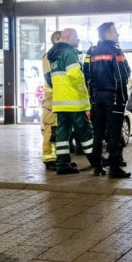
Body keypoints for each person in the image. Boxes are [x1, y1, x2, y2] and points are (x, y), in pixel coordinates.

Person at [45, 28, 95, 174]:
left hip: (60, 102)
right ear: (68, 37)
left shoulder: (53, 55)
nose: (78, 40)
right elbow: (75, 75)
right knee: (86, 132)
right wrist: (83, 90)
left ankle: (62, 164)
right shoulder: (68, 52)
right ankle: (96, 160)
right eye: (76, 37)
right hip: (74, 101)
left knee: (62, 135)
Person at [87, 22, 131, 178]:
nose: (117, 34)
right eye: (115, 32)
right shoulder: (115, 51)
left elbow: (89, 76)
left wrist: (92, 97)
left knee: (97, 133)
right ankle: (114, 167)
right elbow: (121, 75)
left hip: (98, 97)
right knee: (114, 132)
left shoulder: (93, 52)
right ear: (107, 34)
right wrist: (123, 96)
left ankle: (97, 167)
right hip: (113, 97)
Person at [41, 30, 62, 170]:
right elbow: (50, 77)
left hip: (60, 98)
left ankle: (58, 157)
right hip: (52, 100)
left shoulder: (61, 55)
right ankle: (49, 159)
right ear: (56, 39)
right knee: (51, 129)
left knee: (58, 130)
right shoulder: (49, 56)